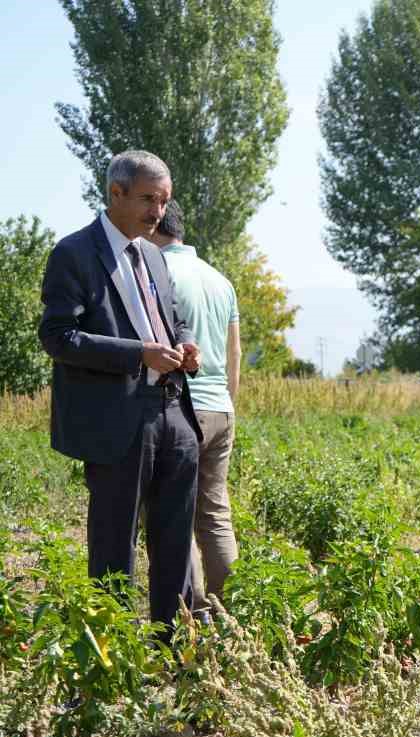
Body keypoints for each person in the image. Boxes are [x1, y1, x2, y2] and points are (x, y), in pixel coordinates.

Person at [39, 150, 203, 636]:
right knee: (114, 545)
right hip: (117, 422)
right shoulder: (74, 253)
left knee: (175, 541)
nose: (158, 211)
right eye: (149, 199)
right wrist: (138, 354)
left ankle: (171, 649)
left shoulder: (154, 255)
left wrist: (184, 344)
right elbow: (58, 336)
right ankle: (110, 656)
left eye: (164, 200)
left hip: (174, 413)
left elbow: (174, 320)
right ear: (116, 193)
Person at [151, 201, 242, 611]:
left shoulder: (156, 272)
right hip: (221, 407)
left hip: (181, 409)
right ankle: (234, 611)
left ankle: (193, 613)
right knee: (215, 514)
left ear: (154, 227)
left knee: (173, 519)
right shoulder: (220, 280)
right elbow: (233, 352)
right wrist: (227, 405)